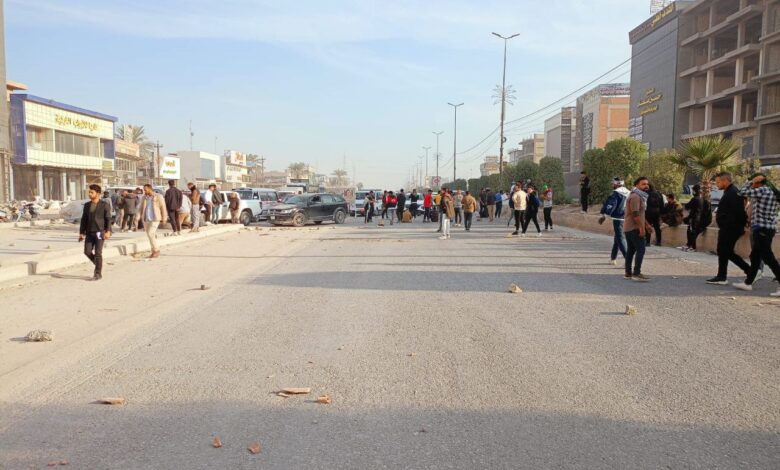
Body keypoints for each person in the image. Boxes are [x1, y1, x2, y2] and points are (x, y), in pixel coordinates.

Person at [732, 173, 780, 295]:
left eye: (753, 182)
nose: (751, 184)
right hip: (767, 229)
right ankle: (748, 283)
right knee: (755, 256)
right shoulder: (771, 191)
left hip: (762, 229)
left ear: (758, 182)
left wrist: (749, 182)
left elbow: (741, 192)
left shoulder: (762, 190)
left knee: (768, 257)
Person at [707, 172, 750, 285]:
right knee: (724, 251)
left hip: (731, 228)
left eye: (718, 182)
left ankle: (748, 271)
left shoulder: (733, 192)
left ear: (725, 181)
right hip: (728, 227)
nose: (717, 184)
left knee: (725, 251)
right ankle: (723, 276)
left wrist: (726, 224)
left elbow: (738, 213)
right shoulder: (730, 192)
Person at [79, 184, 112, 281]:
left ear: (98, 194)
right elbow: (84, 220)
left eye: (91, 192)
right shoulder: (87, 205)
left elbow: (108, 219)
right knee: (87, 252)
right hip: (89, 232)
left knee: (98, 253)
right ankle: (98, 264)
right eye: (89, 192)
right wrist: (81, 232)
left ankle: (98, 273)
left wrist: (108, 231)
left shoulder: (104, 205)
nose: (89, 194)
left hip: (100, 232)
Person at [624, 177, 651, 282]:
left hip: (630, 227)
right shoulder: (635, 197)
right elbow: (635, 215)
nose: (646, 186)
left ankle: (628, 273)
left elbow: (640, 213)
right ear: (637, 185)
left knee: (631, 250)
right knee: (641, 249)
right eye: (643, 184)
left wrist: (647, 225)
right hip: (634, 228)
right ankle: (636, 273)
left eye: (647, 184)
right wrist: (642, 228)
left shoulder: (639, 196)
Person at [599, 178, 630, 265]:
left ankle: (628, 260)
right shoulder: (629, 192)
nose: (612, 185)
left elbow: (611, 205)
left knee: (620, 238)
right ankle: (613, 258)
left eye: (613, 183)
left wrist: (604, 215)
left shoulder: (616, 193)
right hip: (627, 218)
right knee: (617, 238)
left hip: (618, 219)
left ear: (617, 184)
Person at [139, 184, 168, 258]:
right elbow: (141, 208)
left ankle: (156, 250)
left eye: (145, 190)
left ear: (150, 189)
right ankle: (153, 251)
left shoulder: (158, 196)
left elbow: (163, 207)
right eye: (144, 190)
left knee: (150, 233)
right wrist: (138, 216)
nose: (144, 191)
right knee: (150, 235)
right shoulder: (144, 198)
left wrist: (164, 218)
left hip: (155, 218)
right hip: (146, 219)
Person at [680, 184, 704, 252]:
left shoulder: (695, 199)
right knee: (691, 232)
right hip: (697, 218)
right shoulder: (701, 199)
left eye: (693, 190)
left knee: (691, 232)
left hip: (693, 218)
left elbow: (687, 206)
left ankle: (692, 247)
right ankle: (689, 245)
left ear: (695, 191)